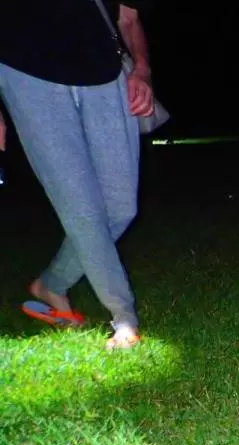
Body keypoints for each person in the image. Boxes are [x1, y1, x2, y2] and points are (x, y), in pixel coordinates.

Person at [0, 0, 159, 350]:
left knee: (120, 208)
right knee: (82, 211)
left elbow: (129, 17)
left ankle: (51, 284)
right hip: (27, 73)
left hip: (104, 70)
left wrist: (142, 71)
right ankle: (124, 317)